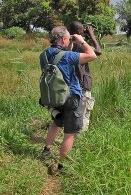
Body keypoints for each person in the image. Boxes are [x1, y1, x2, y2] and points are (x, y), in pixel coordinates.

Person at [40, 26, 96, 172]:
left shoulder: (44, 55)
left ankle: (46, 150)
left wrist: (70, 43)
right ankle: (61, 165)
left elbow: (62, 58)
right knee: (69, 133)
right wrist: (82, 41)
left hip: (54, 97)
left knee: (56, 123)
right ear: (64, 39)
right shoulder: (67, 56)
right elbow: (92, 55)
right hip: (71, 98)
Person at [69, 21, 102, 132]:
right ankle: (81, 140)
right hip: (82, 83)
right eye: (83, 29)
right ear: (78, 31)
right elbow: (98, 51)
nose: (85, 31)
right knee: (84, 114)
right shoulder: (79, 45)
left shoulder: (68, 43)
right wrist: (92, 36)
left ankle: (71, 135)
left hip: (70, 84)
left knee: (73, 112)